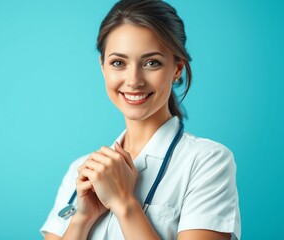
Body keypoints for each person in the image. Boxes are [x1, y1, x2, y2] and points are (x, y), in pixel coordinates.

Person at [40, 0, 241, 239]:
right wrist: (83, 218)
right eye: (118, 63)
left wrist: (125, 204)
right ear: (103, 67)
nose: (134, 80)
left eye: (151, 63)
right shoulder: (81, 169)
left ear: (177, 68)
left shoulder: (207, 161)